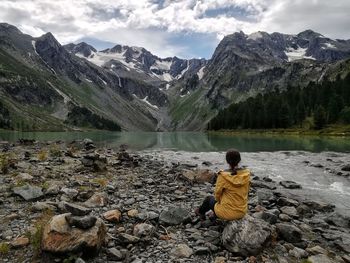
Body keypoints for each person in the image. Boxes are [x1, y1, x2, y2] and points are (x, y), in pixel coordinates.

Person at [196, 149, 250, 221]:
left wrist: (218, 204)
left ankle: (200, 213)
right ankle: (215, 214)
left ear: (227, 161)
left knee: (209, 199)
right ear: (239, 160)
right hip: (242, 212)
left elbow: (217, 195)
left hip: (227, 214)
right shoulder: (246, 174)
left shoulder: (223, 176)